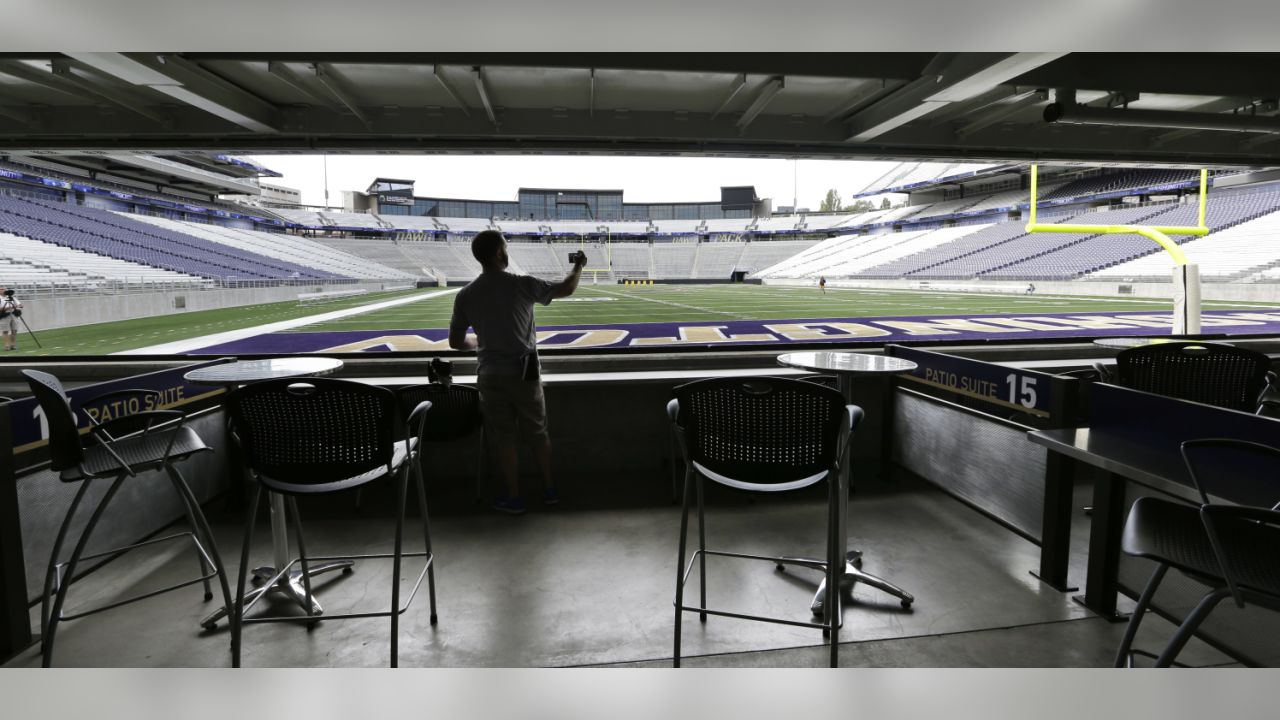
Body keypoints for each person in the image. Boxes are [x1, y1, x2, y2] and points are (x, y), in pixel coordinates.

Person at [448, 231, 586, 515]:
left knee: (504, 439)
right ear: (499, 252)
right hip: (524, 373)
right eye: (506, 247)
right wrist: (578, 266)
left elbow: (456, 342)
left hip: (490, 374)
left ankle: (514, 497)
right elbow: (567, 288)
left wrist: (479, 341)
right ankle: (549, 490)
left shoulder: (466, 295)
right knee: (537, 432)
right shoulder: (521, 285)